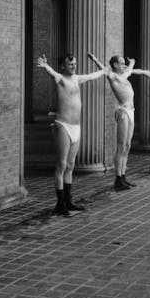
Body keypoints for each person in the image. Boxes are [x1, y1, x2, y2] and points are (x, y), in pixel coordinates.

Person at [36, 53, 106, 215]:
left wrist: (104, 70)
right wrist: (46, 65)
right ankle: (60, 204)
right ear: (62, 66)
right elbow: (51, 73)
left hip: (76, 127)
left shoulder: (76, 79)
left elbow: (92, 76)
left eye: (74, 63)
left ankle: (68, 200)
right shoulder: (60, 79)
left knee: (71, 164)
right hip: (63, 125)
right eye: (70, 64)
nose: (74, 66)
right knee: (61, 164)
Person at [88, 53, 138, 191]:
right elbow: (104, 69)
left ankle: (123, 176)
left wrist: (132, 61)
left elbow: (129, 69)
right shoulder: (113, 76)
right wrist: (95, 59)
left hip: (131, 111)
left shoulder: (124, 75)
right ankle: (118, 179)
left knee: (127, 146)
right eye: (121, 63)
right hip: (123, 112)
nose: (124, 65)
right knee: (121, 146)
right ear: (115, 65)